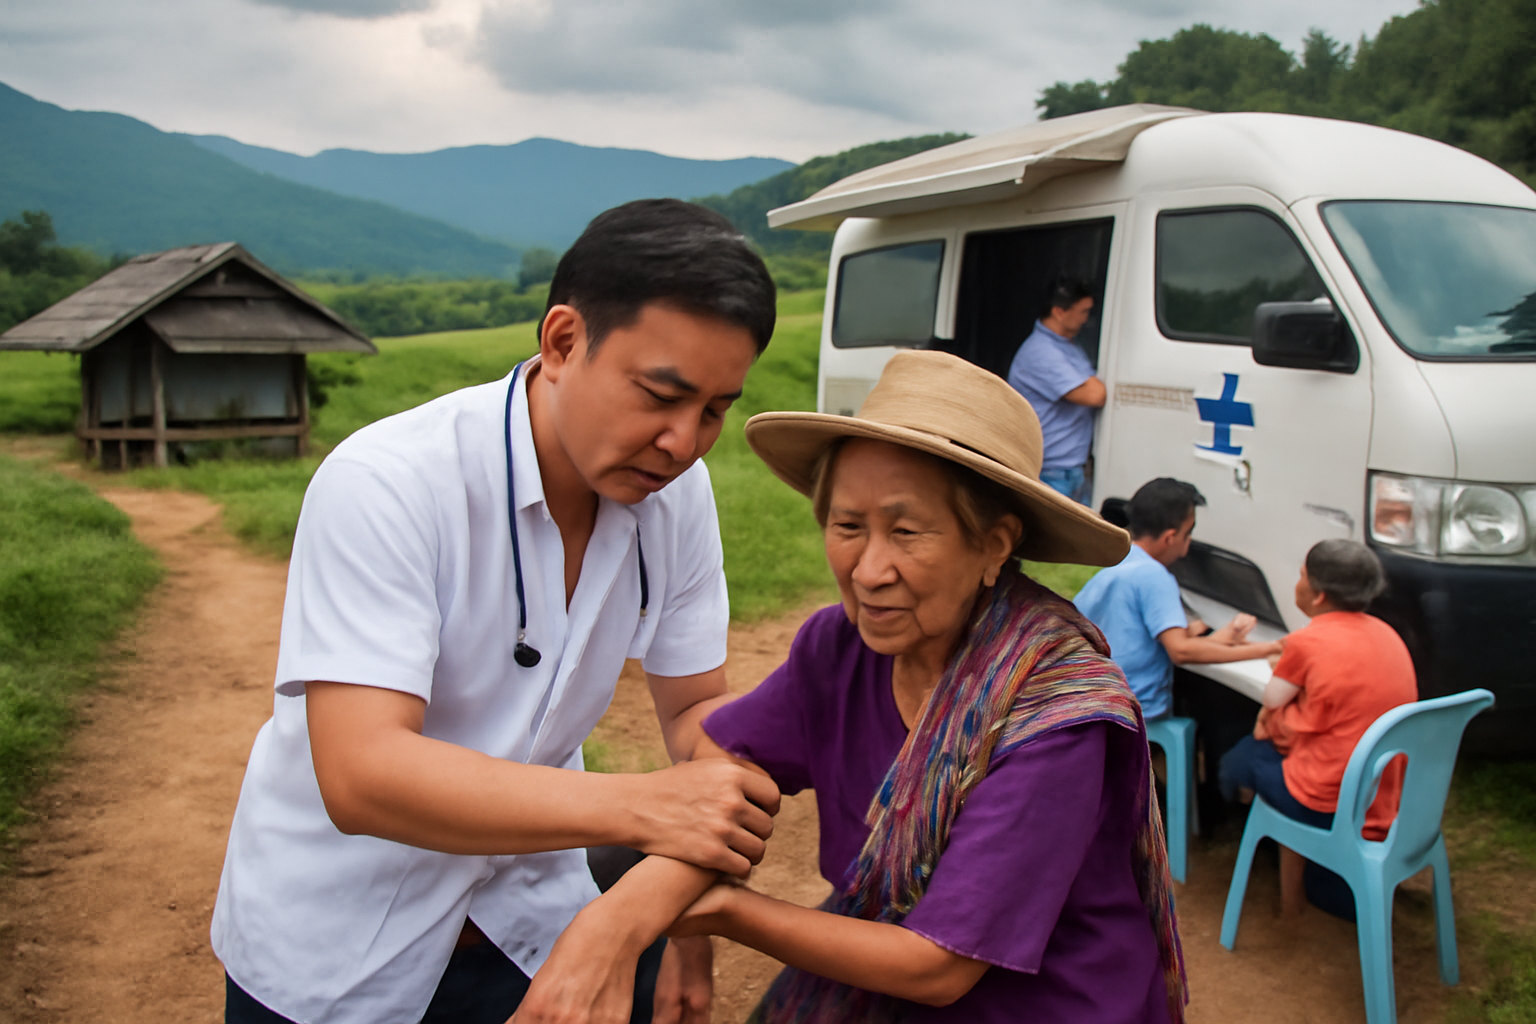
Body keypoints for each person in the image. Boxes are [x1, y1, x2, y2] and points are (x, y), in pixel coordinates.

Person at [210, 199, 784, 1024]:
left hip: (529, 928)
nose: (683, 441)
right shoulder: (389, 481)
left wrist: (686, 920)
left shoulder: (677, 497)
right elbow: (363, 772)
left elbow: (697, 710)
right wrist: (647, 808)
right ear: (562, 342)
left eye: (716, 410)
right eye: (662, 395)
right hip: (342, 952)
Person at [533, 350, 1188, 1023]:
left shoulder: (1053, 712)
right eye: (847, 526)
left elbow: (939, 965)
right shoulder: (839, 647)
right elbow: (726, 764)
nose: (869, 570)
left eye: (906, 531)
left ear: (994, 545)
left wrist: (717, 909)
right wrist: (667, 924)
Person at [1218, 540, 1417, 919]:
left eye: (1302, 576)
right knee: (1265, 742)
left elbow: (1274, 698)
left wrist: (1273, 709)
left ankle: (1259, 835)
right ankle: (1275, 839)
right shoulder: (1389, 635)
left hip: (1326, 799)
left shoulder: (1308, 641)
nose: (1298, 583)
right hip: (1378, 795)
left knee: (1240, 758)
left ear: (1320, 594)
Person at [1073, 477, 1283, 721]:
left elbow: (1135, 638)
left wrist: (1223, 637)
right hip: (1135, 708)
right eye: (1188, 532)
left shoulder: (1114, 568)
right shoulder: (1154, 575)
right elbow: (1181, 651)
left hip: (1091, 699)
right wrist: (1269, 648)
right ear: (1170, 537)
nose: (1190, 541)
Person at [1005, 275, 1106, 504]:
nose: (1086, 319)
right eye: (1082, 311)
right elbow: (1095, 394)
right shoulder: (1041, 352)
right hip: (1052, 474)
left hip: (1072, 470)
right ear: (1059, 312)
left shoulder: (1068, 345)